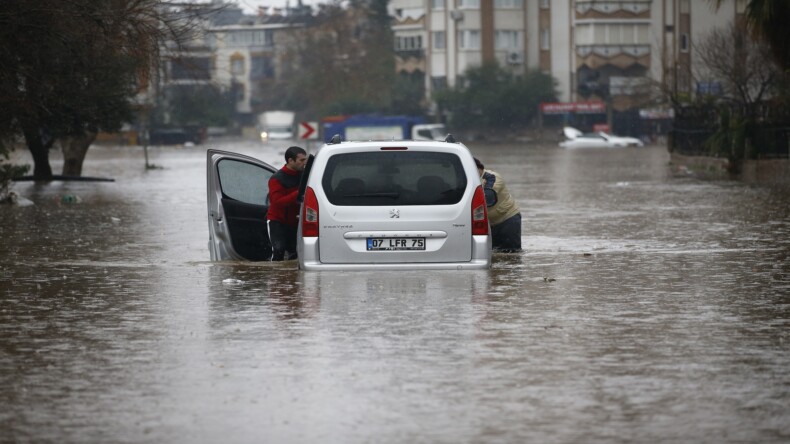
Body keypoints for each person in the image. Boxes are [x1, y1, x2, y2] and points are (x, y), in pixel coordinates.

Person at [267, 146, 308, 261]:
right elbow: (277, 202)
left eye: (305, 160)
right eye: (301, 160)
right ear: (290, 161)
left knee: (296, 254)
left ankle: (292, 279)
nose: (304, 163)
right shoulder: (277, 179)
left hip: (296, 222)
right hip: (277, 222)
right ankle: (276, 277)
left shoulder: (305, 175)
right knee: (278, 251)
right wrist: (298, 193)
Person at [474, 157, 522, 252]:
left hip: (508, 219)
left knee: (511, 254)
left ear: (479, 168)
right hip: (490, 224)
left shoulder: (491, 177)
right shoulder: (470, 180)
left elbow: (487, 197)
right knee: (494, 254)